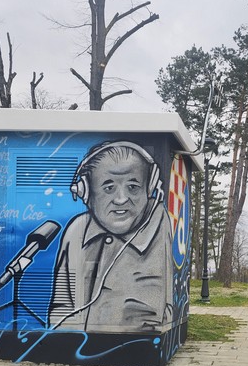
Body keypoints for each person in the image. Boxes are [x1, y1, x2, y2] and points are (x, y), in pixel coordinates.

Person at [49, 141, 173, 332]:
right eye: (109, 188)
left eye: (133, 187)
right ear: (85, 191)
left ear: (149, 188)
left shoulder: (158, 223)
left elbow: (151, 317)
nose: (121, 199)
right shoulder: (77, 231)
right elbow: (61, 307)